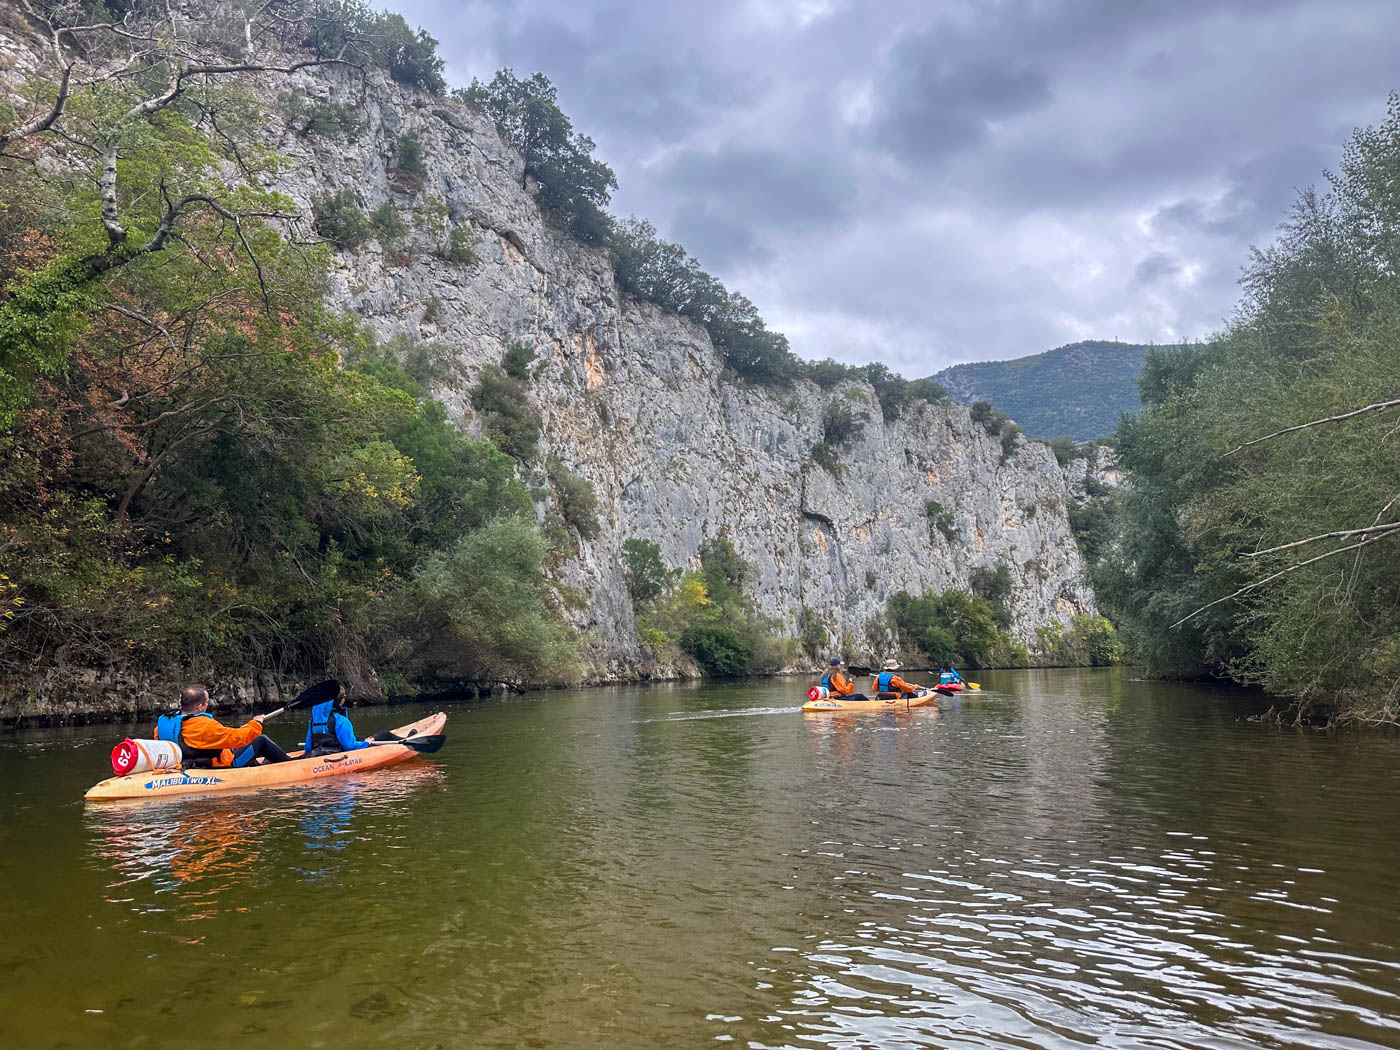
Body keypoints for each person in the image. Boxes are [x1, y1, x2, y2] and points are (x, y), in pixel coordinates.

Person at [155, 684, 291, 768]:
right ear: (200, 706)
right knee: (261, 741)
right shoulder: (203, 725)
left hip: (189, 763)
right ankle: (291, 765)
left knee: (243, 750)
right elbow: (237, 738)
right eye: (206, 703)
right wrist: (256, 723)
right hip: (221, 765)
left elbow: (159, 740)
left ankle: (256, 765)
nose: (208, 705)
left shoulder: (166, 720)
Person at [304, 680, 384, 755]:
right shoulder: (342, 721)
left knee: (358, 738)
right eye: (344, 698)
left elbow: (308, 747)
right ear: (341, 701)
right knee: (379, 736)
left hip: (319, 754)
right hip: (336, 757)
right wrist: (367, 743)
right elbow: (350, 747)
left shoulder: (313, 721)